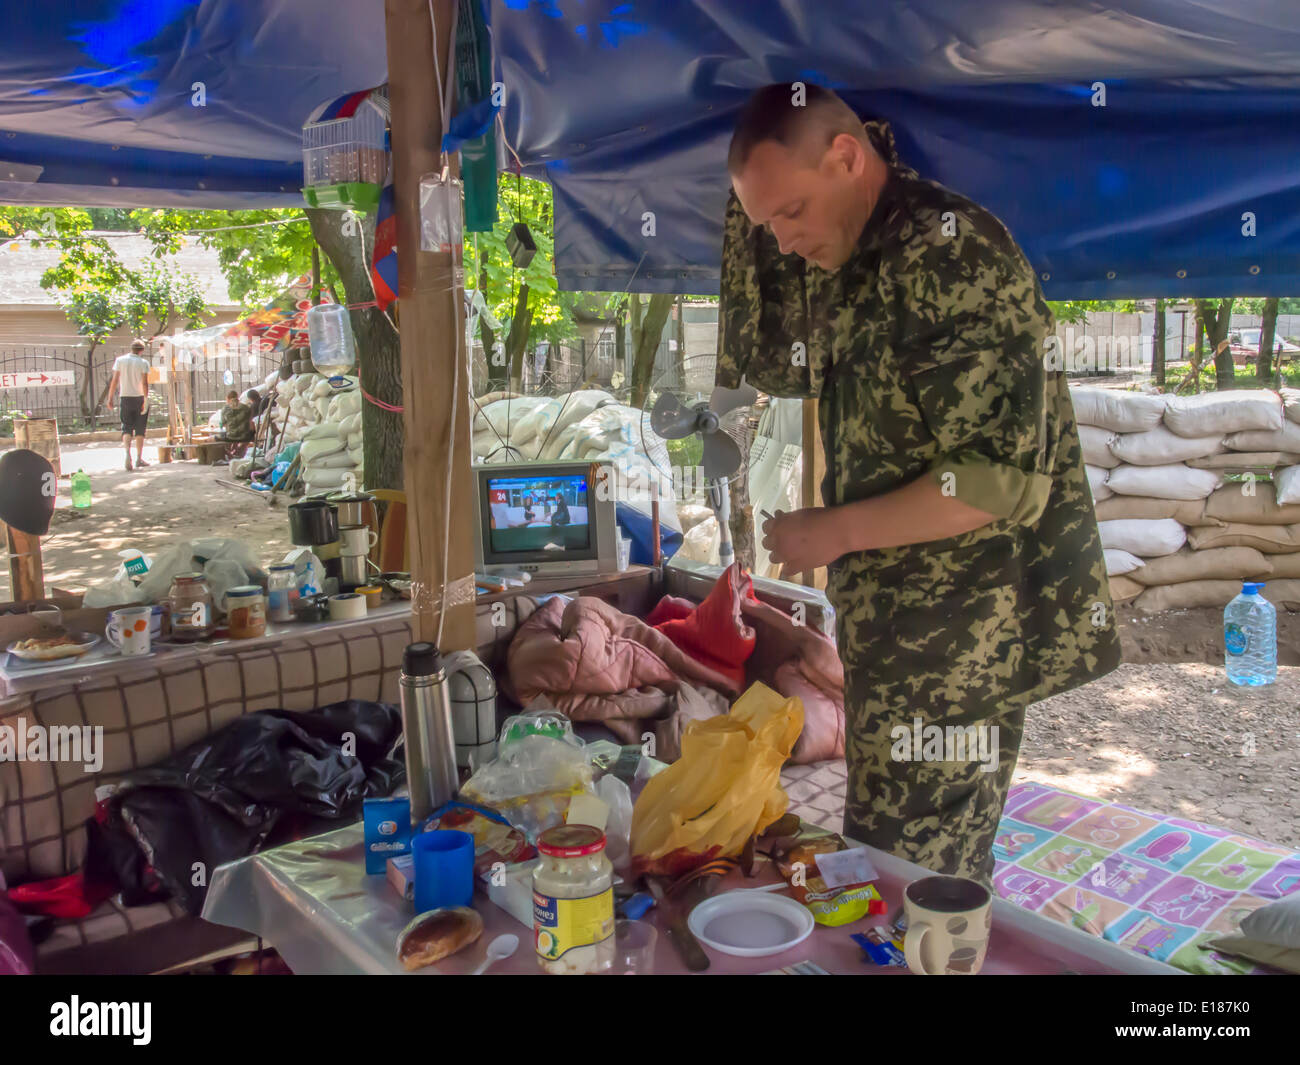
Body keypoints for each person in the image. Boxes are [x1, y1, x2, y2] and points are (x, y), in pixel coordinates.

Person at [718, 84, 1120, 884]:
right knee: (888, 858)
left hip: (958, 645)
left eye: (791, 211)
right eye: (769, 225)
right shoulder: (853, 260)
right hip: (899, 636)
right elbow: (769, 352)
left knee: (915, 879)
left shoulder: (951, 257)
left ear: (846, 157)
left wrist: (831, 531)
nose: (785, 242)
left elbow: (999, 484)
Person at [105, 339, 152, 471]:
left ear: (131, 348)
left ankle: (127, 453)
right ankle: (138, 457)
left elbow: (115, 380)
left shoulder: (120, 360)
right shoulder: (143, 363)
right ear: (142, 350)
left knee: (126, 427)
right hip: (139, 398)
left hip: (125, 397)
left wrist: (110, 398)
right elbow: (144, 383)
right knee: (140, 428)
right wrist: (145, 399)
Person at [219, 390, 254, 460]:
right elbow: (251, 422)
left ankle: (231, 454)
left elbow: (222, 423)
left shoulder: (225, 409)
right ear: (237, 398)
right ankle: (238, 453)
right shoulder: (245, 407)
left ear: (228, 399)